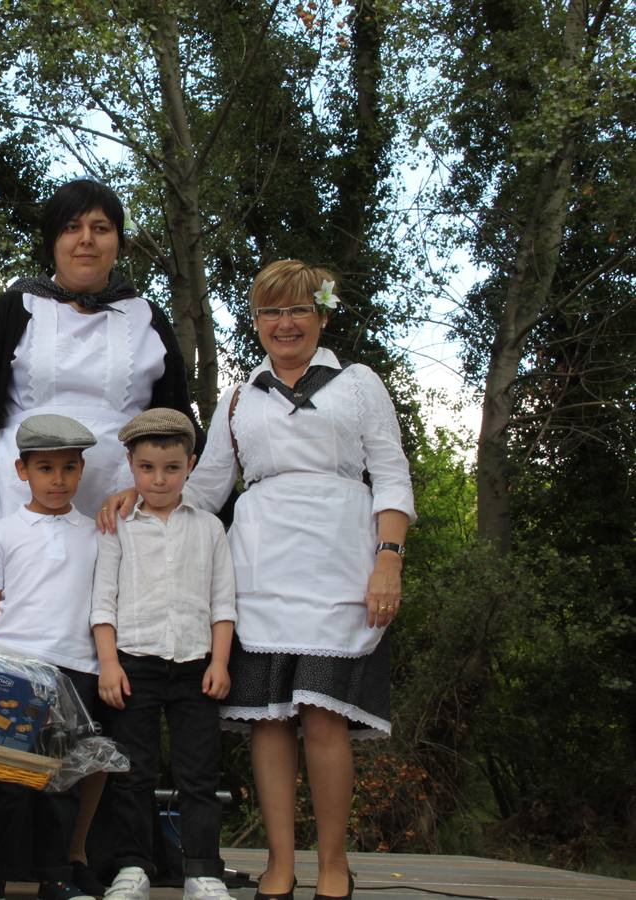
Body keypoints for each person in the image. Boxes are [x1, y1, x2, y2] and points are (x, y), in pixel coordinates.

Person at [0, 178, 203, 891]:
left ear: (119, 240)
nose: (87, 239)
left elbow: (178, 421)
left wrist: (151, 484)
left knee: (101, 683)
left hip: (117, 521)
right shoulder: (12, 309)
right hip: (14, 511)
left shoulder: (147, 318)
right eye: (72, 228)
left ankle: (85, 852)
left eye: (102, 227)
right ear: (53, 240)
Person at [182, 261, 415, 900]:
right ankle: (280, 863)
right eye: (270, 312)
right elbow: (205, 490)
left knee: (321, 719)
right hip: (257, 571)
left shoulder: (359, 383)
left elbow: (391, 475)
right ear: (256, 322)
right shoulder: (237, 396)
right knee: (268, 720)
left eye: (298, 310)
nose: (284, 324)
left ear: (323, 316)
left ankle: (333, 863)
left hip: (340, 568)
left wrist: (388, 557)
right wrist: (143, 504)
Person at [90, 408, 236, 900]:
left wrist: (219, 661)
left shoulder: (209, 528)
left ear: (190, 465)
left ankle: (202, 871)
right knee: (132, 771)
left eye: (172, 467)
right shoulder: (118, 526)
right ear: (131, 465)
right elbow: (102, 601)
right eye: (148, 467)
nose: (159, 478)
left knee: (199, 773)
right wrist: (108, 663)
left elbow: (223, 602)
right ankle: (133, 866)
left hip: (196, 665)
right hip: (134, 663)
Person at [0, 414, 101, 900]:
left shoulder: (97, 533)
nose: (57, 480)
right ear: (22, 471)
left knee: (60, 781)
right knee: (7, 781)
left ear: (82, 471)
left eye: (68, 468)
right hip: (13, 669)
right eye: (45, 468)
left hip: (76, 670)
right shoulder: (2, 532)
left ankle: (56, 877)